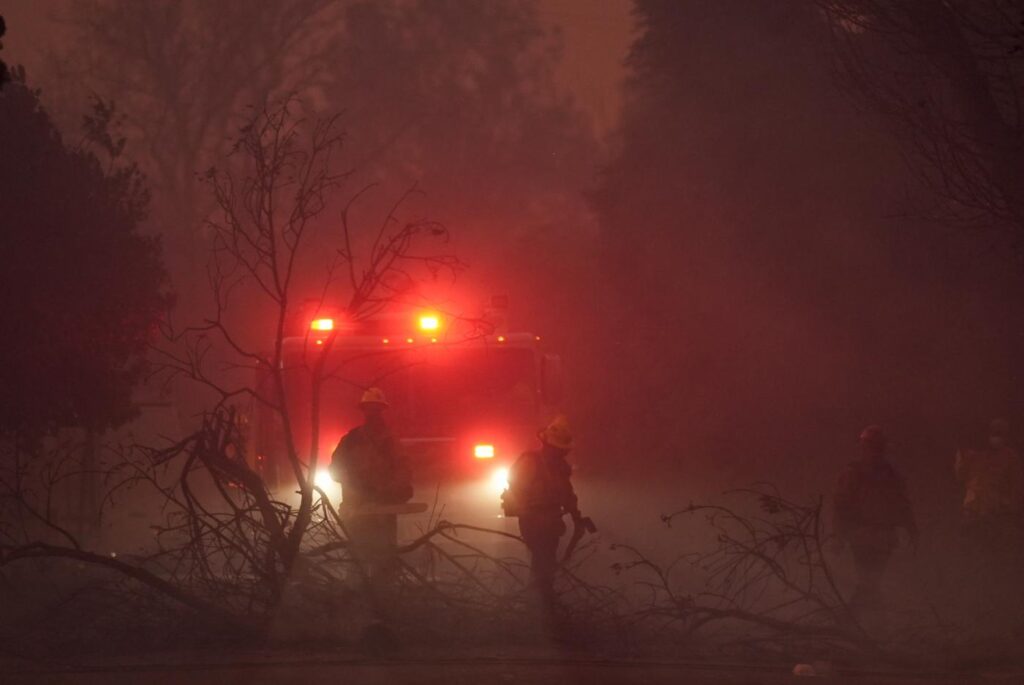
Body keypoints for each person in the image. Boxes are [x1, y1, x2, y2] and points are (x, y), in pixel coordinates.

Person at [329, 387, 412, 582]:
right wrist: (355, 485)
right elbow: (335, 470)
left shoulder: (391, 442)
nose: (373, 413)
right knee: (358, 560)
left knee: (385, 561)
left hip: (384, 510)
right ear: (363, 410)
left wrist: (394, 490)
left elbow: (403, 469)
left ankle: (385, 600)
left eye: (376, 409)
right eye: (369, 408)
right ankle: (359, 599)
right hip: (356, 510)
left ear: (382, 410)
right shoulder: (350, 440)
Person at [833, 425, 917, 615]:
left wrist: (912, 528)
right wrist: (839, 536)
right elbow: (841, 506)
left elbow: (902, 503)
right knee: (869, 582)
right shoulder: (853, 473)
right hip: (862, 535)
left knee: (870, 582)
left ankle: (859, 622)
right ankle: (865, 622)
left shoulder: (890, 474)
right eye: (872, 446)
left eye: (877, 446)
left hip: (882, 537)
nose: (874, 450)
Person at [502, 415, 582, 609]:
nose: (561, 454)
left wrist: (575, 513)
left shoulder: (560, 467)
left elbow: (566, 491)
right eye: (558, 449)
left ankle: (541, 597)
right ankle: (540, 600)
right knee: (542, 557)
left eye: (563, 450)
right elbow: (515, 486)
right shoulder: (531, 462)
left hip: (551, 519)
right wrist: (527, 508)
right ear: (547, 444)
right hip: (532, 519)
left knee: (547, 558)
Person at [954, 418, 1023, 555]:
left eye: (1000, 434)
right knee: (972, 554)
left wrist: (1010, 505)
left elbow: (1017, 486)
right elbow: (962, 478)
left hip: (998, 514)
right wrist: (961, 458)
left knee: (998, 553)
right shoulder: (977, 456)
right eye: (994, 433)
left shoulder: (1011, 458)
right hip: (974, 512)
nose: (996, 438)